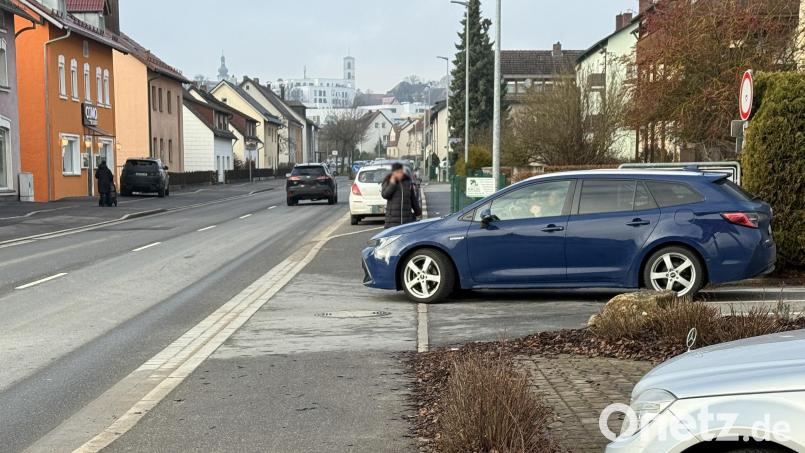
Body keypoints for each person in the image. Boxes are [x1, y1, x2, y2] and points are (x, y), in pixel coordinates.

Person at [381, 162, 422, 229]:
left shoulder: (408, 182)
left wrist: (418, 212)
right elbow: (385, 195)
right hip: (392, 221)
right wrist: (392, 183)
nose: (400, 174)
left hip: (406, 220)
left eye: (401, 172)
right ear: (393, 173)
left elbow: (413, 199)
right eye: (397, 172)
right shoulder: (388, 181)